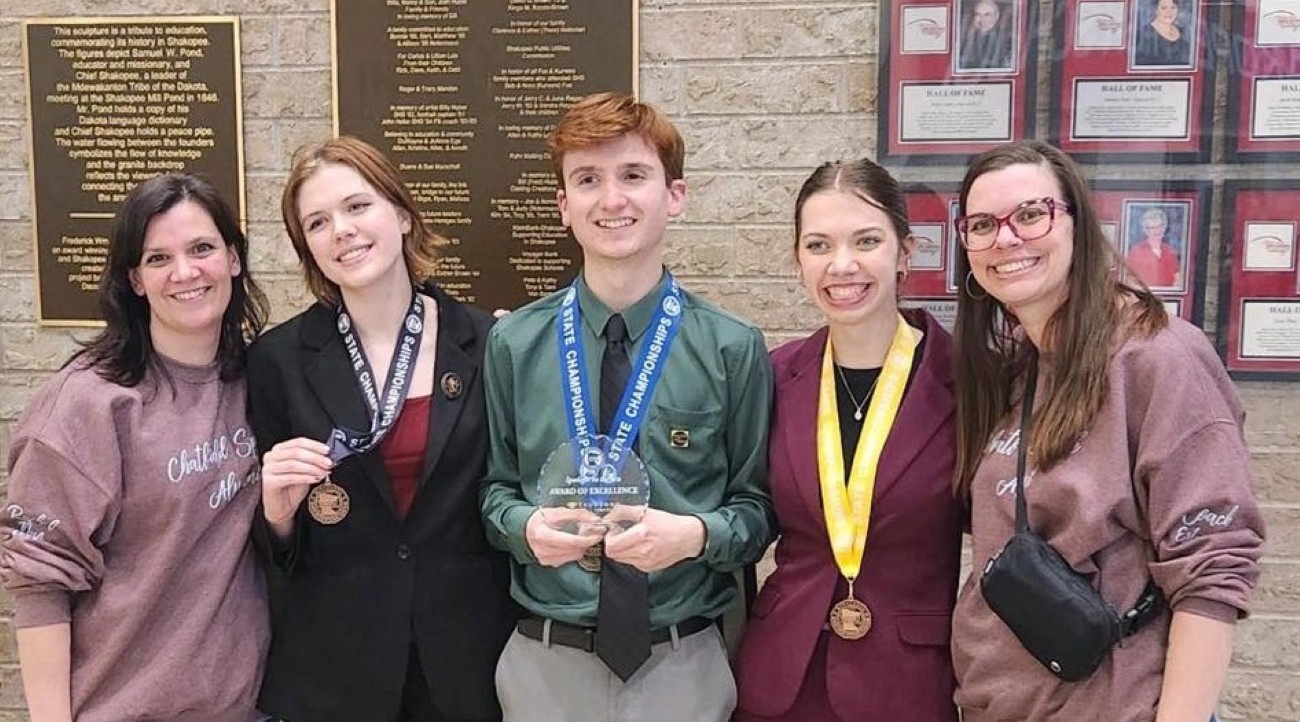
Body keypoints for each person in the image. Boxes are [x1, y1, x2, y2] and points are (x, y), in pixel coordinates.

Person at [480, 91, 775, 722]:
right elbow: (494, 492)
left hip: (683, 660)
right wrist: (524, 529)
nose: (611, 199)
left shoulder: (732, 347)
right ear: (564, 206)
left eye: (633, 175)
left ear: (675, 195)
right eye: (588, 180)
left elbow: (758, 510)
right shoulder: (514, 343)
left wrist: (695, 535)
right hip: (545, 661)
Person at [949, 140, 1265, 721]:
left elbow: (1213, 568)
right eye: (982, 224)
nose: (1007, 240)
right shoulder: (1017, 366)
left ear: (1075, 223)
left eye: (1029, 214)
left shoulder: (1157, 356)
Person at [247, 137, 515, 721]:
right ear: (307, 248)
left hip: (469, 664)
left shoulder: (489, 343)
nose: (340, 230)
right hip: (337, 669)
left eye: (357, 206)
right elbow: (269, 552)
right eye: (317, 222)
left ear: (401, 214)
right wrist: (279, 515)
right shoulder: (278, 361)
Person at [1, 173, 270, 721]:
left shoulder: (260, 381)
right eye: (158, 259)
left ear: (234, 258)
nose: (186, 273)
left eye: (202, 248)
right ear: (135, 280)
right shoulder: (87, 404)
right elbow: (39, 583)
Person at [733, 160, 963, 722]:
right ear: (797, 261)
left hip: (908, 684)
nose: (842, 265)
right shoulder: (774, 376)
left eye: (866, 240)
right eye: (818, 245)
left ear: (905, 252)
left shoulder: (967, 382)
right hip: (781, 680)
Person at [1126, 207, 1181, 288]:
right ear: (1146, 230)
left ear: (1165, 227)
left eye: (1160, 226)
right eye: (1152, 228)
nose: (1157, 231)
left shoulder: (1171, 252)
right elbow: (1129, 281)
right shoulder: (1135, 253)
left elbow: (1177, 280)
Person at [957, 0, 1013, 70]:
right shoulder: (963, 39)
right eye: (977, 14)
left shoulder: (1007, 41)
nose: (982, 20)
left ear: (996, 16)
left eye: (987, 15)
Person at [1134, 0, 1191, 66]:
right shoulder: (1143, 34)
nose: (1169, 12)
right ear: (1156, 10)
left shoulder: (1184, 32)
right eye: (1164, 8)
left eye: (1173, 7)